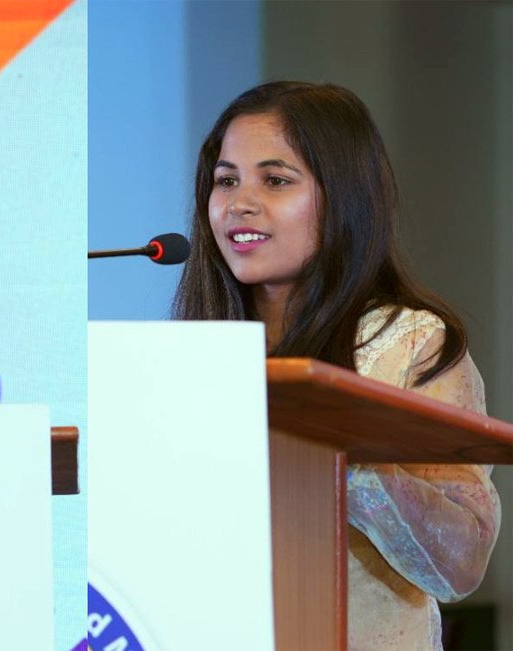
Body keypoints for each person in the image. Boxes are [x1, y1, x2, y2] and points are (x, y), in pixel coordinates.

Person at [173, 81, 500, 650]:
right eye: (226, 180)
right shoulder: (191, 359)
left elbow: (461, 565)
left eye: (275, 180)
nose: (239, 202)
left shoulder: (411, 344)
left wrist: (342, 461)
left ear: (343, 198)